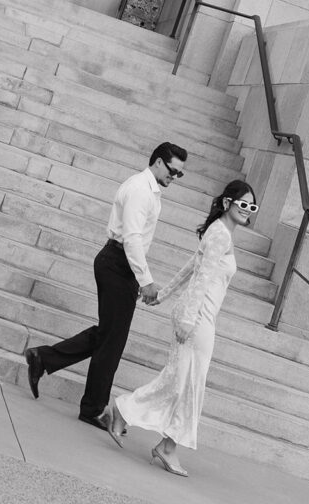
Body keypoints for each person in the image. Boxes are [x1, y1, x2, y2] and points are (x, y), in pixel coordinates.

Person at [24, 141, 188, 433]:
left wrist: (135, 277)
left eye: (179, 175)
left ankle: (43, 358)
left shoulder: (148, 190)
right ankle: (92, 408)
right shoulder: (141, 189)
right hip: (117, 262)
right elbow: (133, 238)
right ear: (160, 162)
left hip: (119, 265)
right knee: (112, 342)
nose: (174, 178)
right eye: (173, 172)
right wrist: (145, 280)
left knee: (107, 335)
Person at [107, 178, 258, 477]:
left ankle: (133, 418)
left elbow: (192, 267)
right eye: (243, 204)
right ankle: (162, 442)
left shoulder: (220, 233)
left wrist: (163, 295)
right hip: (198, 318)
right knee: (188, 385)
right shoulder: (220, 235)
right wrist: (188, 319)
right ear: (227, 203)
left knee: (180, 383)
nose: (247, 210)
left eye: (252, 206)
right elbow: (200, 280)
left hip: (198, 315)